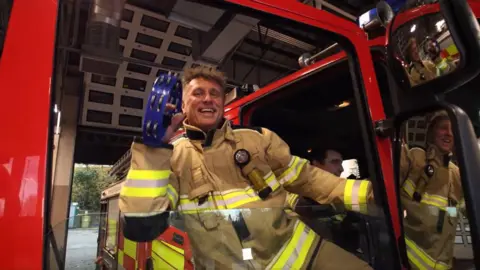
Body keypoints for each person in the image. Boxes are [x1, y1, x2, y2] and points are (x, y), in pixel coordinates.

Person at [119, 66, 374, 269]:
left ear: (222, 103)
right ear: (182, 107)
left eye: (214, 93)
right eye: (198, 93)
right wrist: (154, 148)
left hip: (303, 256)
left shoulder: (258, 138)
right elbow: (142, 226)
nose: (208, 98)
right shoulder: (171, 158)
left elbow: (309, 179)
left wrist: (371, 195)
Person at [399, 112, 464, 270]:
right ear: (431, 133)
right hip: (406, 262)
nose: (449, 133)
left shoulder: (457, 174)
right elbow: (385, 182)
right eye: (443, 128)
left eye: (452, 130)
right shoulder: (415, 158)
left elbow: (462, 209)